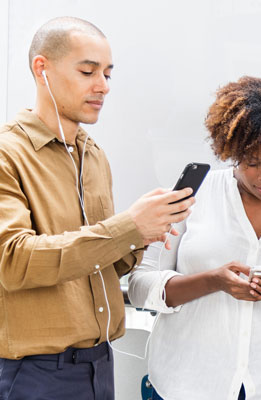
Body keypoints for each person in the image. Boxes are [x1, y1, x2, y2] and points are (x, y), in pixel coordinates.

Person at [0, 17, 194, 399]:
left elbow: (103, 266)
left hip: (100, 365)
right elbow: (12, 261)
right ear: (42, 69)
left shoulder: (93, 155)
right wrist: (126, 228)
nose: (102, 86)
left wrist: (141, 235)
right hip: (34, 373)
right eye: (88, 71)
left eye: (107, 73)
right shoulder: (8, 155)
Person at [128, 76, 261, 400]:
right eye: (251, 163)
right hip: (182, 386)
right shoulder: (191, 197)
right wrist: (213, 281)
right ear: (231, 151)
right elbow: (141, 288)